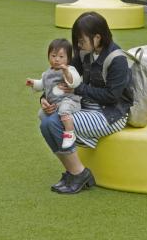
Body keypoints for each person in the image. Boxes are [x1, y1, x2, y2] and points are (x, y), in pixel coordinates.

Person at [38, 11, 132, 194]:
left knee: (54, 122)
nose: (78, 45)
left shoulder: (117, 59)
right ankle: (74, 172)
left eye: (81, 40)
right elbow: (61, 79)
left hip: (110, 114)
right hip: (85, 106)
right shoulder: (85, 54)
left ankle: (80, 174)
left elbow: (112, 96)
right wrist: (44, 99)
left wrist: (78, 89)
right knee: (45, 122)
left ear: (97, 37)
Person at [26, 38, 82, 149]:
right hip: (55, 104)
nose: (57, 59)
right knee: (41, 114)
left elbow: (74, 82)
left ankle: (69, 133)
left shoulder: (70, 69)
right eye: (53, 56)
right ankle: (57, 128)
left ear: (68, 59)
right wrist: (33, 83)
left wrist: (66, 72)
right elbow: (42, 84)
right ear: (48, 56)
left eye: (61, 57)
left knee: (64, 110)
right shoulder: (47, 73)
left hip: (70, 101)